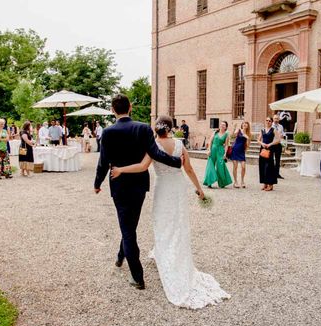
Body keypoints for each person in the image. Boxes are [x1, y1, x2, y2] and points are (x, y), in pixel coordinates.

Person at [110, 115, 229, 309]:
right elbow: (188, 169)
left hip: (163, 188)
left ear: (156, 128)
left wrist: (121, 170)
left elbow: (142, 167)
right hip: (177, 186)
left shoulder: (153, 145)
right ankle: (172, 254)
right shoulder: (179, 145)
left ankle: (164, 254)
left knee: (162, 223)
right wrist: (199, 189)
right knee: (178, 223)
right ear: (172, 127)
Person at [93, 94, 182, 290]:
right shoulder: (142, 128)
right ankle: (120, 256)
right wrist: (177, 162)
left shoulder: (108, 132)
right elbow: (155, 153)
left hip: (118, 184)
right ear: (130, 107)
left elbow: (103, 162)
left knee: (127, 228)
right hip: (139, 185)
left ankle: (137, 276)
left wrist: (97, 183)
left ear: (112, 109)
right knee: (129, 225)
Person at [202, 120, 233, 189]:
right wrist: (209, 150)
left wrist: (225, 153)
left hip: (220, 150)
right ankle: (209, 182)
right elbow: (210, 141)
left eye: (224, 125)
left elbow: (226, 145)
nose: (222, 126)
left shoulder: (226, 135)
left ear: (226, 127)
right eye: (221, 124)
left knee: (221, 165)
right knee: (210, 165)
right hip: (213, 149)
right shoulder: (215, 132)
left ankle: (222, 182)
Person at [258, 117, 280, 191]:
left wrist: (270, 144)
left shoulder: (273, 130)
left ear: (272, 122)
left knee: (269, 167)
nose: (268, 122)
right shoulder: (262, 130)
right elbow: (258, 140)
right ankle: (265, 183)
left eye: (269, 121)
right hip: (263, 149)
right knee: (262, 166)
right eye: (266, 120)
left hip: (270, 149)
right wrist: (262, 143)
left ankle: (271, 184)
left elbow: (278, 140)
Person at [230, 121, 250, 188]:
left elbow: (248, 145)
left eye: (246, 124)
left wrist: (247, 138)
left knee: (243, 167)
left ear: (247, 126)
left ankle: (242, 181)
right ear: (242, 125)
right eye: (244, 124)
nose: (245, 125)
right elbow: (232, 135)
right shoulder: (238, 130)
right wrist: (234, 128)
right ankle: (235, 182)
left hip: (241, 152)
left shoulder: (248, 134)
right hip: (235, 150)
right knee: (235, 167)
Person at [272, 114, 285, 179]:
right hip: (272, 144)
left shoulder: (281, 126)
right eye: (275, 118)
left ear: (279, 119)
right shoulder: (271, 126)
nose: (276, 120)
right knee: (271, 160)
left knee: (278, 160)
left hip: (278, 144)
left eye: (277, 118)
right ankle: (271, 173)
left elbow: (283, 134)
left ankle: (277, 174)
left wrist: (282, 135)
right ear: (273, 119)